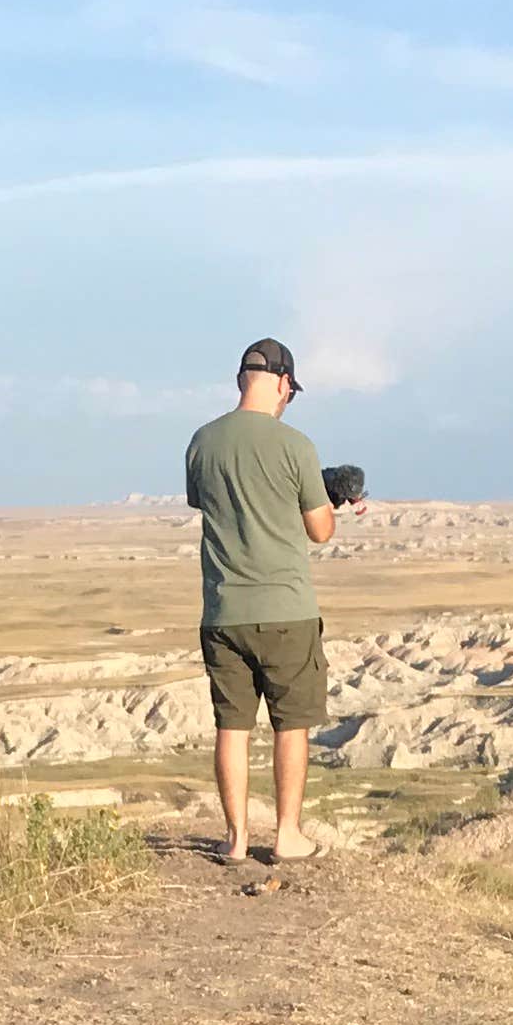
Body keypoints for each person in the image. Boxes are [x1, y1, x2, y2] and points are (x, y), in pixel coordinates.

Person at [182, 337, 358, 866]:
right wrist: (331, 500)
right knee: (291, 723)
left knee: (232, 726)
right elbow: (319, 530)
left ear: (242, 380)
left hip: (222, 610)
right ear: (283, 383)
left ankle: (234, 839)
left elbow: (209, 502)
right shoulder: (296, 446)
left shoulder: (201, 442)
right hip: (285, 608)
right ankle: (286, 834)